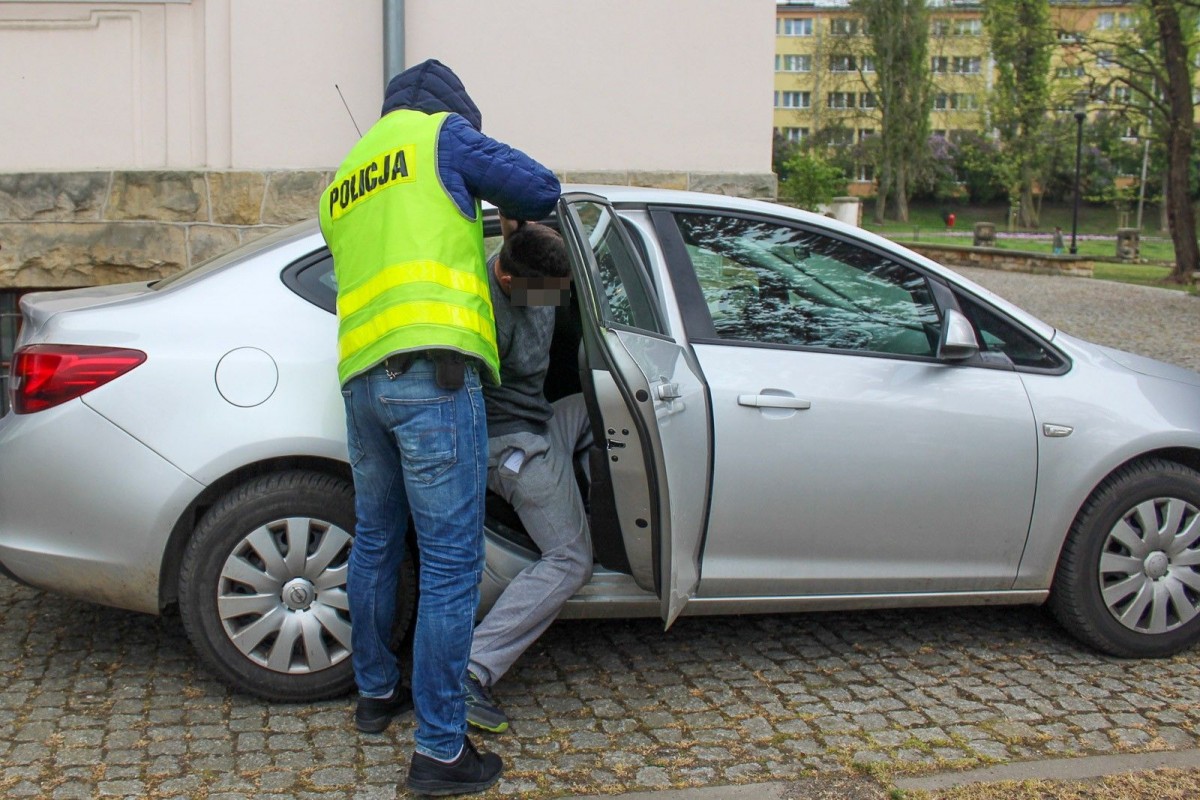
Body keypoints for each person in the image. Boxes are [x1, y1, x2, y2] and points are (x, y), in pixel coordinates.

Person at [317, 59, 559, 796]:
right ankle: (442, 750)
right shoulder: (441, 137)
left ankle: (374, 693)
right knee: (452, 565)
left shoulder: (344, 178)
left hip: (363, 380)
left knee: (377, 541)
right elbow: (541, 189)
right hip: (434, 377)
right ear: (450, 109)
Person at [461, 220, 593, 734]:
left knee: (611, 408)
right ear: (509, 280)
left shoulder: (532, 262)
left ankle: (585, 503)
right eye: (548, 292)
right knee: (570, 560)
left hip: (542, 416)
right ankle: (472, 668)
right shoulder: (481, 311)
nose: (556, 300)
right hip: (509, 443)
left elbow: (518, 214)